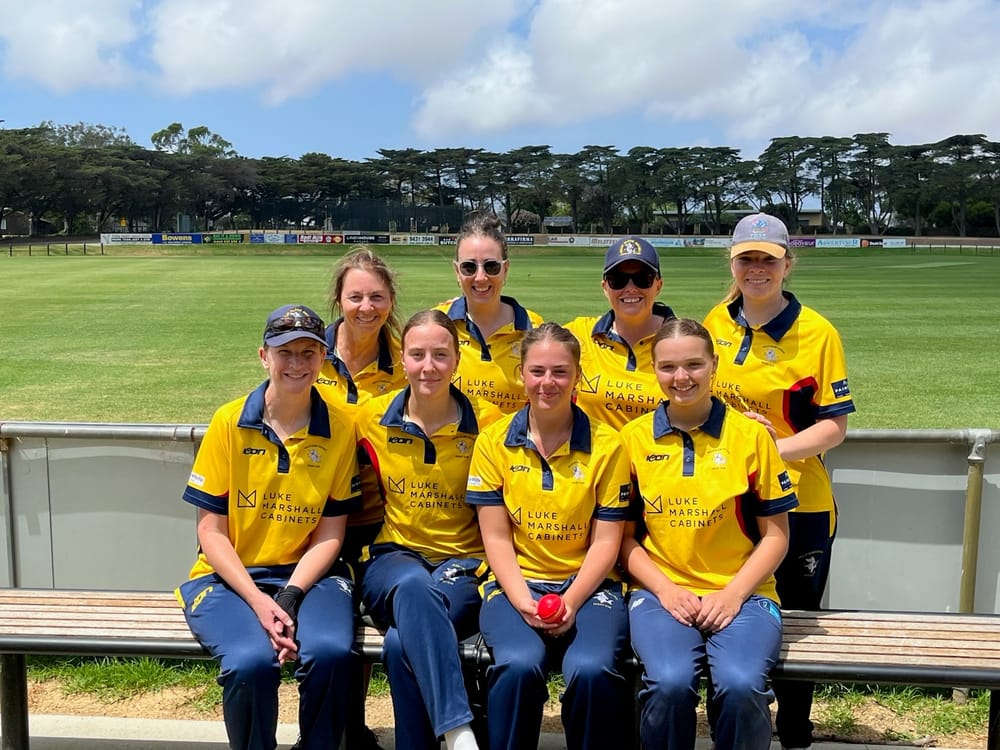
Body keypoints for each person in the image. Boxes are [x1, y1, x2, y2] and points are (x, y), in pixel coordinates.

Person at [702, 213, 856, 750]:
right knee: (731, 617)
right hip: (731, 501)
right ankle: (735, 726)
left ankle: (794, 733)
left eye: (768, 259)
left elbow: (834, 427)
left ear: (787, 264)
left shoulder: (817, 331)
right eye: (747, 258)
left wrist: (769, 451)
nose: (757, 269)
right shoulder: (715, 322)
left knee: (797, 627)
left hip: (802, 504)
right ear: (733, 264)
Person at [175, 304, 361, 750]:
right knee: (250, 663)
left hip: (309, 579)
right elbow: (210, 532)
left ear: (324, 358)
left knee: (333, 653)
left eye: (308, 353)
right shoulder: (229, 421)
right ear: (264, 356)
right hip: (231, 578)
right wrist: (261, 602)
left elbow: (331, 533)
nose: (297, 364)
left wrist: (291, 595)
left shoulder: (340, 428)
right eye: (285, 353)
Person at [619, 317, 797, 750]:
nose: (681, 378)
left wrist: (733, 594)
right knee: (669, 683)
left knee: (740, 685)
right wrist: (664, 590)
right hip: (661, 594)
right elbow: (622, 540)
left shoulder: (751, 437)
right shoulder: (632, 440)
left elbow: (776, 536)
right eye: (668, 367)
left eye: (694, 365)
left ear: (714, 365)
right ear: (654, 369)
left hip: (745, 595)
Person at [466, 322, 632, 750]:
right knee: (520, 664)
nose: (547, 383)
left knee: (592, 668)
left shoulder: (608, 445)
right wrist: (523, 600)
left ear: (577, 376)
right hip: (516, 584)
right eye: (537, 371)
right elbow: (497, 539)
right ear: (521, 373)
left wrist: (572, 601)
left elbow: (606, 541)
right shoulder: (492, 442)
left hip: (591, 587)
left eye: (560, 372)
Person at [356, 309, 501, 750]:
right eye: (417, 354)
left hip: (464, 565)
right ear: (402, 359)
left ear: (457, 360)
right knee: (414, 585)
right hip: (393, 559)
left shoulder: (490, 424)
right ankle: (459, 731)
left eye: (441, 354)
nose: (429, 366)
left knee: (402, 644)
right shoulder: (368, 418)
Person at [316, 246, 405, 750]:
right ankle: (345, 730)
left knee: (388, 628)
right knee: (334, 632)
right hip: (314, 518)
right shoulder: (309, 352)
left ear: (391, 301)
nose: (366, 307)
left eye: (376, 296)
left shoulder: (406, 363)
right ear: (338, 300)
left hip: (380, 518)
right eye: (355, 297)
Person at [564, 235, 675, 430]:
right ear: (605, 287)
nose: (630, 288)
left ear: (658, 285)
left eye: (642, 279)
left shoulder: (684, 342)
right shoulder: (580, 333)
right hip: (596, 458)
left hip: (662, 458)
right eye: (618, 280)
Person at [436, 212, 543, 414]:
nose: (481, 277)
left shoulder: (534, 330)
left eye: (491, 266)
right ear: (456, 271)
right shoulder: (436, 324)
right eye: (469, 267)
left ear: (506, 269)